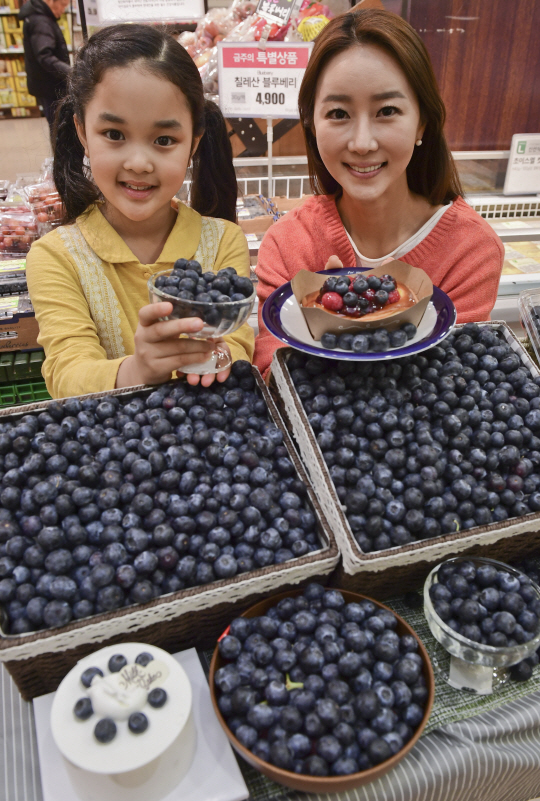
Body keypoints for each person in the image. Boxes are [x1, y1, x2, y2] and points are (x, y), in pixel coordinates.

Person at [254, 8, 503, 377]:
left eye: (387, 110)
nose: (362, 142)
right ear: (311, 124)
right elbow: (270, 378)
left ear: (422, 122)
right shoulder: (288, 244)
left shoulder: (470, 251)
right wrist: (318, 328)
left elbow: (454, 391)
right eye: (339, 113)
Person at [26, 24, 253, 399]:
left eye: (164, 140)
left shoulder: (222, 241)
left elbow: (240, 345)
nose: (138, 163)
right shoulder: (56, 258)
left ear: (194, 142)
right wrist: (138, 369)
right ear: (82, 131)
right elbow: (67, 373)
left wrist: (221, 356)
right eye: (114, 135)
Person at [19, 0, 71, 130]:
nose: (63, 10)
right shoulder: (41, 22)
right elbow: (45, 56)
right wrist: (70, 72)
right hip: (50, 86)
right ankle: (59, 151)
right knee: (58, 128)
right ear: (50, 1)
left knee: (56, 125)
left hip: (45, 84)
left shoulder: (38, 17)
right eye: (62, 5)